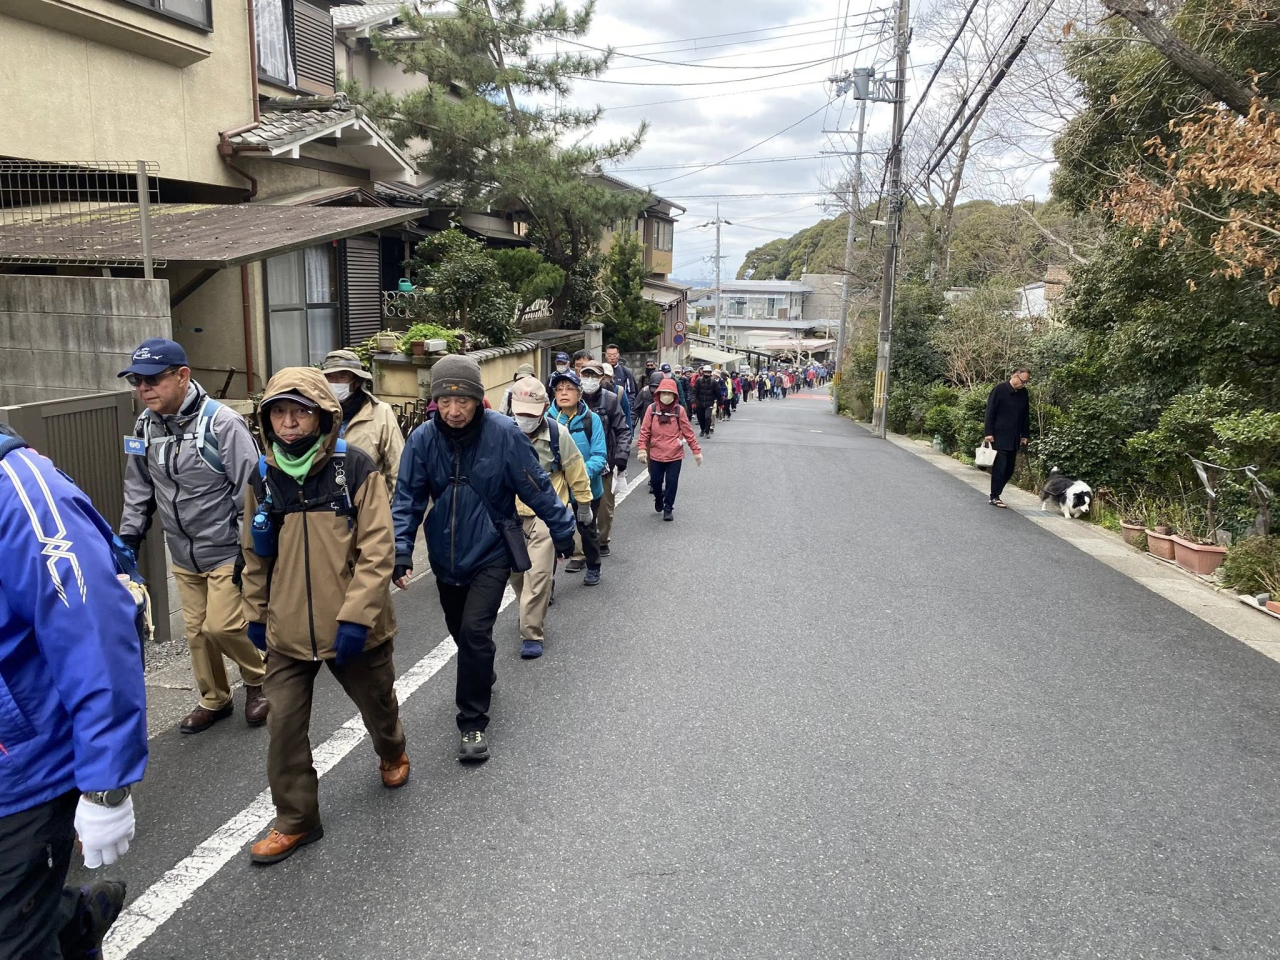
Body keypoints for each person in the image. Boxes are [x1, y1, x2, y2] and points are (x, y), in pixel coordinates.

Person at [241, 369, 407, 865]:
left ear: (323, 416)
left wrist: (357, 618)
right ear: (267, 420)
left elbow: (378, 549)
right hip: (287, 630)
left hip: (352, 625)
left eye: (300, 412)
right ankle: (296, 820)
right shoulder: (263, 476)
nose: (289, 423)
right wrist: (255, 612)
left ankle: (392, 749)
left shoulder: (354, 468)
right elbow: (253, 552)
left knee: (378, 705)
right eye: (279, 412)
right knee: (284, 728)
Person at [0, 425, 148, 958]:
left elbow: (93, 630)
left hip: (21, 776)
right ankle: (70, 918)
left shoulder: (20, 491)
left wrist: (106, 783)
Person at [393, 355, 577, 762]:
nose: (454, 411)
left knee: (476, 632)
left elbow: (537, 487)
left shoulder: (503, 434)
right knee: (461, 632)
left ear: (478, 400)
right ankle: (481, 669)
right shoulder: (422, 439)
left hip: (493, 550)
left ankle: (472, 722)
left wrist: (563, 531)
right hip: (444, 554)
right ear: (434, 401)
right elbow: (406, 498)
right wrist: (401, 550)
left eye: (463, 401)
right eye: (445, 401)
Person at [118, 337, 268, 734]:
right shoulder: (144, 426)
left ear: (183, 376)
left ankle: (259, 679)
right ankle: (215, 699)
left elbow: (250, 492)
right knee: (198, 632)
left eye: (153, 379)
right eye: (137, 380)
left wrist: (245, 550)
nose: (144, 388)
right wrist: (128, 538)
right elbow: (138, 487)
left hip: (225, 549)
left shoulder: (223, 423)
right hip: (182, 551)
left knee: (223, 626)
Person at [506, 378, 594, 659]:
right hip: (508, 516)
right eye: (520, 412)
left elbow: (575, 470)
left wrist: (584, 504)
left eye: (531, 413)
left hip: (546, 513)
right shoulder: (502, 433)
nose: (525, 419)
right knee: (516, 574)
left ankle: (531, 632)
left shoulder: (558, 434)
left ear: (544, 407)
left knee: (539, 574)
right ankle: (528, 609)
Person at [551, 369, 607, 584]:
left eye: (570, 388)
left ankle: (593, 566)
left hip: (588, 488)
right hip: (556, 490)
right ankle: (548, 583)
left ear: (580, 394)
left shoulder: (591, 420)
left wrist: (578, 475)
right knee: (551, 536)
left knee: (587, 530)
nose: (564, 393)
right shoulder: (547, 420)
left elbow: (599, 455)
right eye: (559, 389)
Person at [321, 348, 405, 490]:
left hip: (370, 503)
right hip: (326, 506)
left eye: (342, 377)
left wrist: (388, 506)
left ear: (356, 381)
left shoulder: (380, 412)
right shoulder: (316, 412)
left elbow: (397, 464)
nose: (334, 382)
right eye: (330, 377)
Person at [578, 359, 631, 562]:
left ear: (601, 378)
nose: (589, 380)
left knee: (604, 510)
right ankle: (579, 552)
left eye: (593, 376)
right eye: (586, 375)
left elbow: (623, 430)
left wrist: (622, 456)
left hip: (605, 465)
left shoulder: (610, 399)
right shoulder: (574, 398)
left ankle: (602, 540)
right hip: (578, 464)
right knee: (576, 508)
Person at [637, 378, 702, 521]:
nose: (666, 396)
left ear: (675, 395)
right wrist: (642, 448)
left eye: (669, 393)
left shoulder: (679, 411)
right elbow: (645, 430)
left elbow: (688, 432)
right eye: (663, 393)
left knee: (672, 483)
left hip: (674, 454)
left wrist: (696, 451)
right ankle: (659, 499)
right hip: (656, 453)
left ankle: (668, 508)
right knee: (655, 482)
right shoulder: (652, 409)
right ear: (658, 394)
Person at [984, 366, 1032, 508]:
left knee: (1010, 469)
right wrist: (988, 433)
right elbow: (990, 412)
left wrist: (1025, 434)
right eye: (1023, 381)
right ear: (1014, 376)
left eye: (1026, 382)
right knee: (1000, 467)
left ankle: (997, 492)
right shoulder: (999, 390)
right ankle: (994, 496)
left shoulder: (1024, 393)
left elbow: (1025, 415)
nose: (1024, 384)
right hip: (999, 436)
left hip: (1014, 437)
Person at [601, 362, 634, 431]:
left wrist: (629, 434)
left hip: (617, 431)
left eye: (607, 376)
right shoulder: (595, 391)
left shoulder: (619, 391)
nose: (605, 379)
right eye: (603, 376)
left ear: (612, 377)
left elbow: (626, 414)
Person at [693, 365, 718, 437]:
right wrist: (693, 400)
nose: (707, 374)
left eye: (708, 372)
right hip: (699, 402)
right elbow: (694, 391)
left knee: (707, 417)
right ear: (703, 373)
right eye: (705, 372)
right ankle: (702, 429)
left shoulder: (713, 382)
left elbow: (717, 392)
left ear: (710, 373)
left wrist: (720, 402)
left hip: (709, 403)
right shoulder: (699, 381)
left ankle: (707, 431)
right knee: (700, 417)